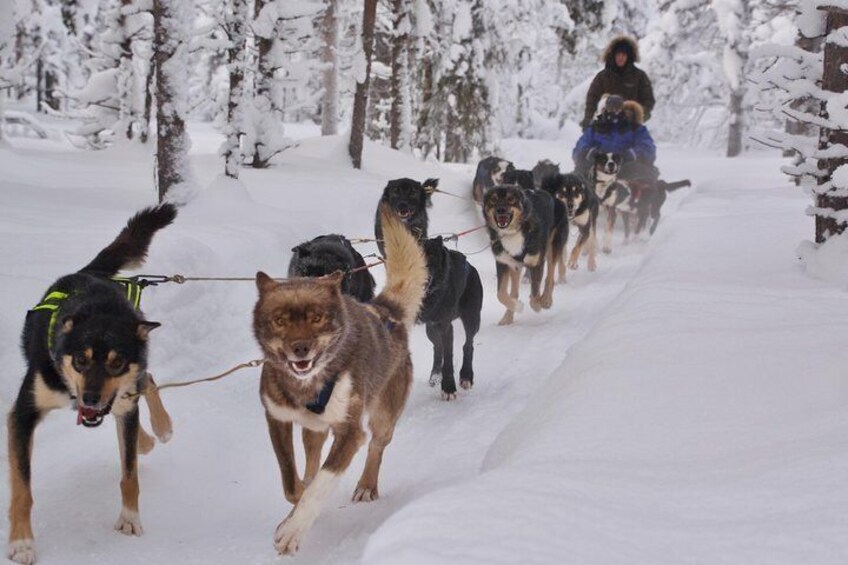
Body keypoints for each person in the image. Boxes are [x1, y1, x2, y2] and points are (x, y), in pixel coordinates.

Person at [572, 94, 657, 182]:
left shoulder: (634, 128)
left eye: (617, 108)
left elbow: (648, 148)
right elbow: (580, 146)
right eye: (611, 108)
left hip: (626, 167)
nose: (614, 111)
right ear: (605, 109)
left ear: (622, 109)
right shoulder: (596, 127)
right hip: (599, 167)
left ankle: (645, 194)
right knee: (580, 170)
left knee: (643, 172)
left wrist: (631, 154)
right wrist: (589, 152)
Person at [581, 35, 655, 130]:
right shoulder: (602, 77)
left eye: (624, 55)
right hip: (605, 127)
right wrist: (588, 119)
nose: (620, 58)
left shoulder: (639, 76)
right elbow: (592, 99)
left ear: (629, 57)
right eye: (618, 55)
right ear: (613, 55)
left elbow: (648, 101)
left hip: (631, 128)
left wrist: (636, 115)